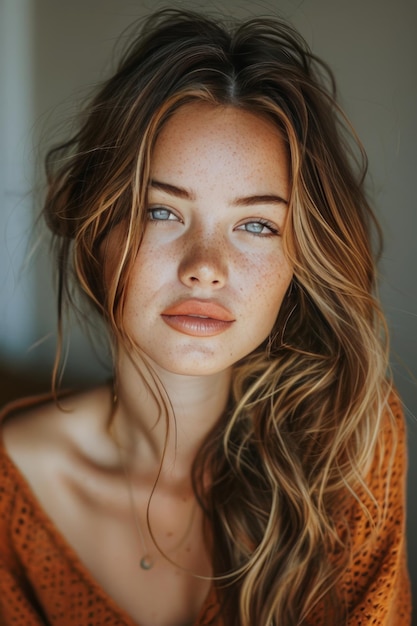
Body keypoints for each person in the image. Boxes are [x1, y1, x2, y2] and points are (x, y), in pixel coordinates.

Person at [0, 8, 411, 626]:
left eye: (255, 225)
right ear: (96, 226)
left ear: (301, 260)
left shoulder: (347, 452)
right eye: (162, 211)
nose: (206, 267)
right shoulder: (10, 494)